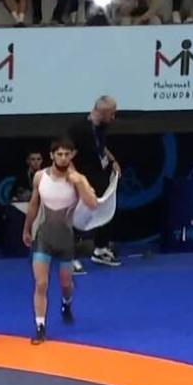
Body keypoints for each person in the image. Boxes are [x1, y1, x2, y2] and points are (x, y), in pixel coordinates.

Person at [22, 137, 99, 345]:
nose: (63, 158)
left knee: (66, 284)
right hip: (44, 238)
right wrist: (26, 228)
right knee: (41, 283)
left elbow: (93, 204)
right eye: (59, 154)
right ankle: (40, 327)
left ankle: (66, 302)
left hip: (65, 241)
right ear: (52, 155)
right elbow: (33, 204)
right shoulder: (40, 177)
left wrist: (80, 183)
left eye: (67, 154)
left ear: (72, 155)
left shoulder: (78, 179)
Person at [68, 96, 121, 268]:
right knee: (78, 216)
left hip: (100, 175)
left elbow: (100, 146)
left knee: (106, 210)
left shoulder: (102, 126)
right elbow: (66, 155)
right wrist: (77, 180)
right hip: (83, 177)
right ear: (103, 112)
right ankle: (69, 257)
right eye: (111, 114)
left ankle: (101, 249)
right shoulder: (77, 129)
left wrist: (113, 160)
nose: (113, 117)